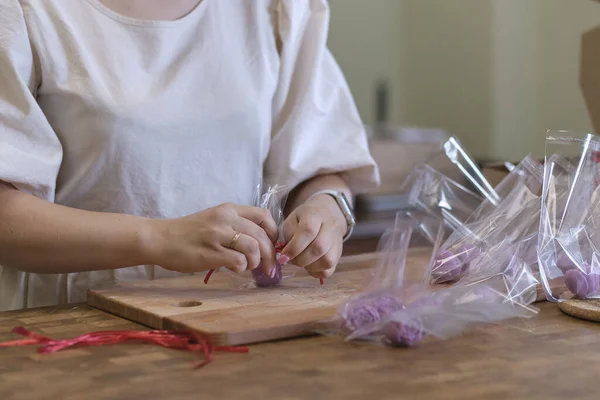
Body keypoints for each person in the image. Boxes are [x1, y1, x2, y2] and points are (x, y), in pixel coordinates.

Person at [0, 0, 379, 311]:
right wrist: (159, 238)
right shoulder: (25, 10)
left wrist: (327, 210)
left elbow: (321, 166)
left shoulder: (276, 8)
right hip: (72, 318)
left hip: (232, 312)